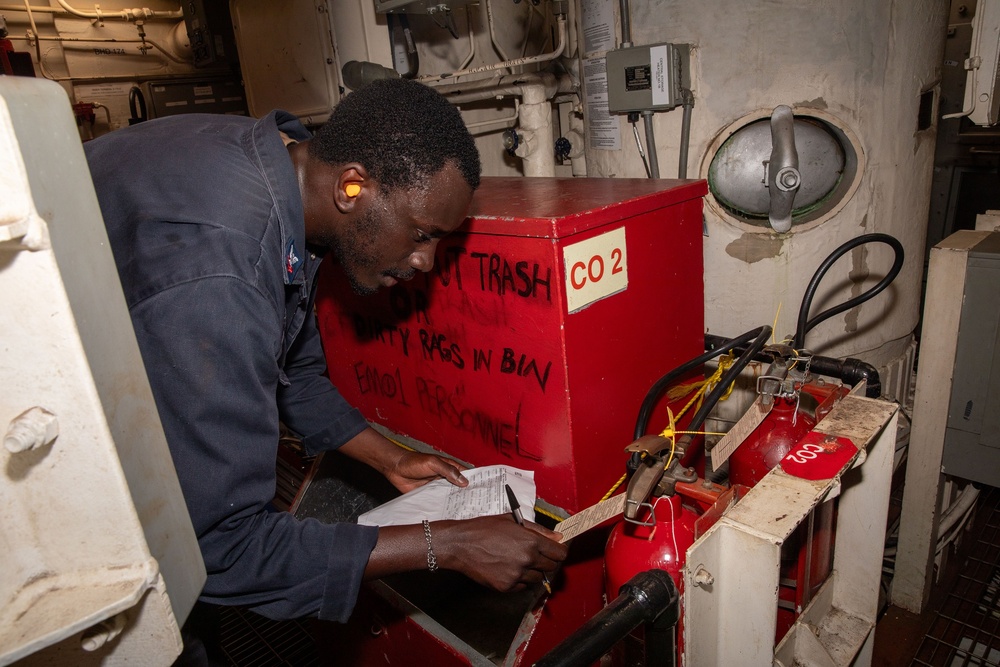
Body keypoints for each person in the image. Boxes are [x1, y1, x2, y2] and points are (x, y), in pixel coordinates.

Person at [84, 78, 567, 649]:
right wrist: (449, 544)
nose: (427, 261)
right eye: (420, 234)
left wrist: (391, 458)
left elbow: (295, 370)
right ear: (352, 186)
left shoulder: (285, 173)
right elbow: (219, 548)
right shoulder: (222, 274)